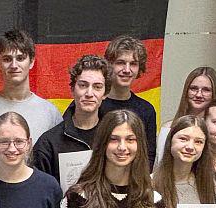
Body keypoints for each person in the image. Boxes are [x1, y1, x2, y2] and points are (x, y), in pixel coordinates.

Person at [65, 35, 158, 168]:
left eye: (133, 64)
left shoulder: (146, 110)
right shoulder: (89, 103)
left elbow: (148, 156)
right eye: (120, 62)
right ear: (109, 65)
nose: (127, 70)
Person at [0, 29, 62, 142]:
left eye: (20, 58)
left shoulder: (51, 114)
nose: (14, 65)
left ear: (32, 61)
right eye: (7, 59)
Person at [33, 54, 111, 182]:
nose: (89, 94)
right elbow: (41, 191)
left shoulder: (114, 136)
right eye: (83, 85)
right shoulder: (49, 143)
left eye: (97, 87)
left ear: (105, 93)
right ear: (72, 89)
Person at [155, 67, 216, 165]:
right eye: (194, 88)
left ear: (213, 94)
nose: (199, 94)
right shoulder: (168, 129)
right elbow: (159, 166)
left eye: (206, 90)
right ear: (186, 91)